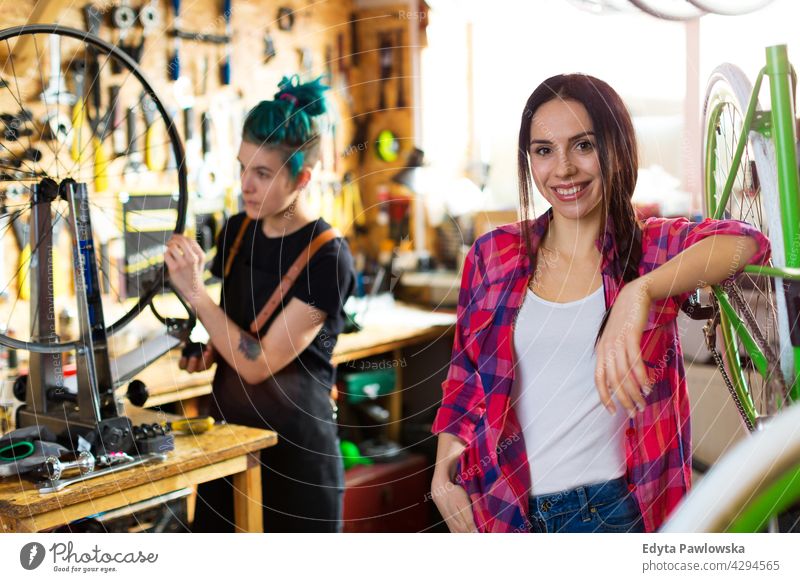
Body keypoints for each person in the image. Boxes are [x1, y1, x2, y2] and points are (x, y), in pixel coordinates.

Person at [430, 74, 771, 533]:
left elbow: (747, 242)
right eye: (544, 150)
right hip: (503, 507)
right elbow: (466, 378)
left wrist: (639, 292)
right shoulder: (493, 255)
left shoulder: (651, 249)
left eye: (583, 145)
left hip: (611, 514)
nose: (564, 169)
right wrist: (443, 471)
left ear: (615, 148)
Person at [165, 76, 356, 532]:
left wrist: (194, 291)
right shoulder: (236, 232)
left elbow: (259, 362)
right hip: (228, 453)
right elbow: (237, 335)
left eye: (263, 173)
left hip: (297, 467)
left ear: (303, 178)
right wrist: (208, 348)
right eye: (243, 167)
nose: (246, 185)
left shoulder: (327, 255)